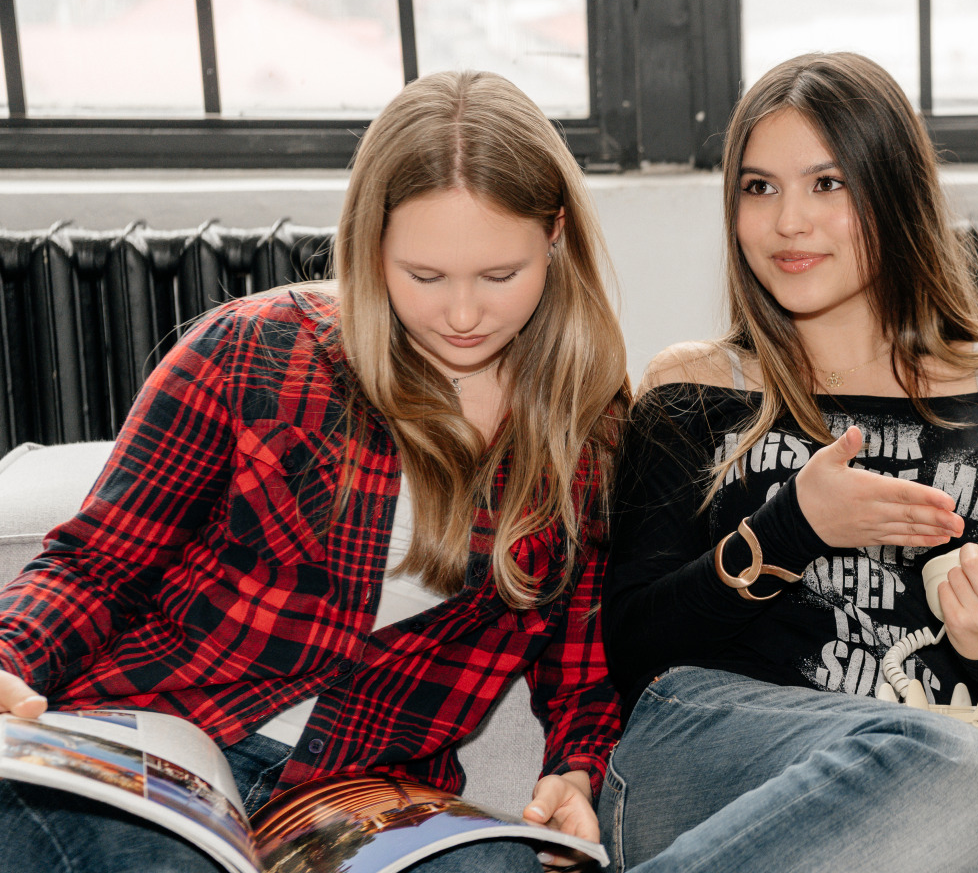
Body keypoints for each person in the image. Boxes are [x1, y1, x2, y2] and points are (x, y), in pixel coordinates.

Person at [0, 71, 631, 873]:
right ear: (371, 246)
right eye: (424, 277)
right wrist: (7, 658)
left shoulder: (591, 428)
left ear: (555, 235)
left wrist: (576, 769)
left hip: (365, 792)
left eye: (499, 277)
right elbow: (95, 563)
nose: (464, 315)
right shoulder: (249, 351)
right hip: (162, 735)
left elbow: (585, 663)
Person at [597, 52, 978, 873]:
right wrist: (788, 531)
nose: (788, 222)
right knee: (960, 769)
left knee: (966, 776)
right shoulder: (694, 388)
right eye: (759, 188)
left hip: (932, 801)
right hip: (709, 750)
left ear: (892, 193)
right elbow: (636, 649)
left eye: (827, 184)